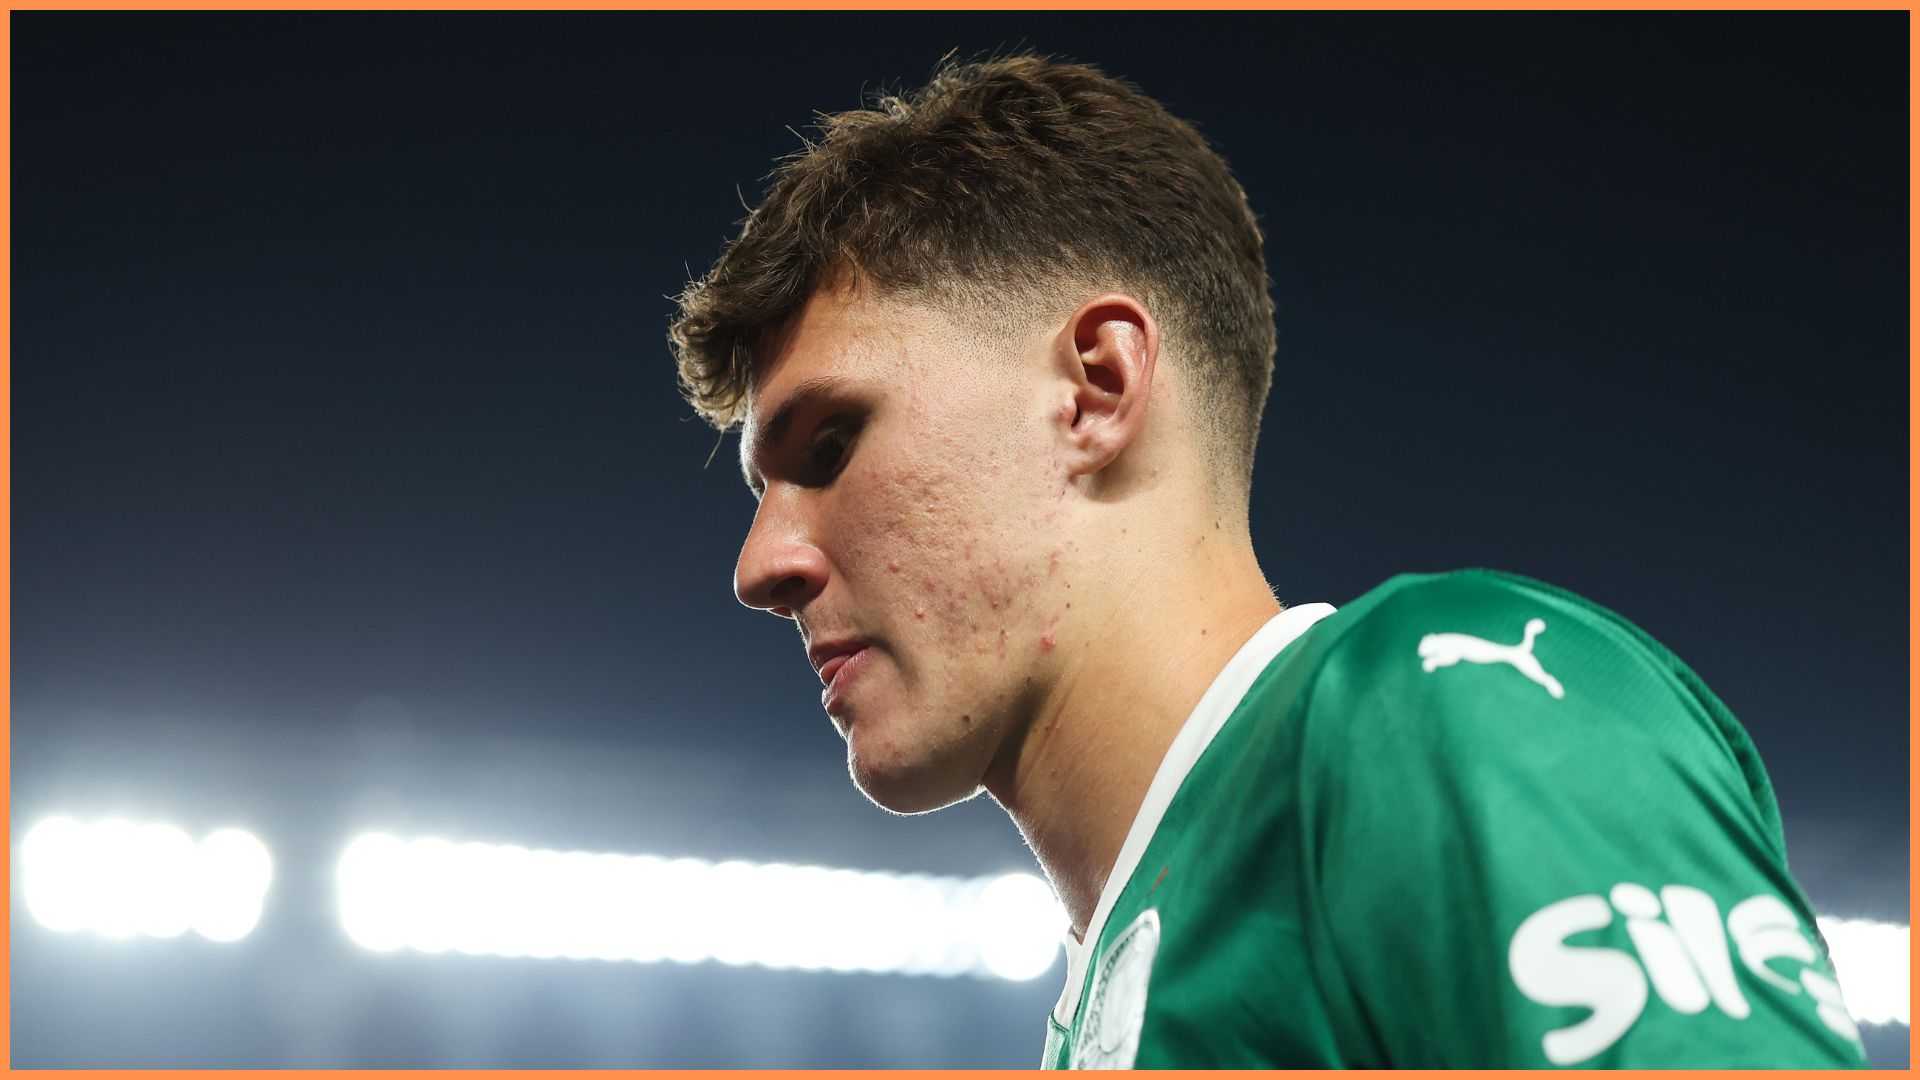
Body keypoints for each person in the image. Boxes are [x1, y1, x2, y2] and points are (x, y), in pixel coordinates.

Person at [665, 54, 1865, 1069]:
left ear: (1098, 390)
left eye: (831, 442)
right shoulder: (1103, 1006)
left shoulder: (1449, 702)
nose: (762, 562)